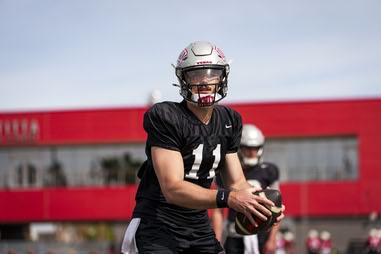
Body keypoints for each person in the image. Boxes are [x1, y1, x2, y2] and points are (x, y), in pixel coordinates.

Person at [121, 41, 285, 254]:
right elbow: (172, 188)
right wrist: (230, 199)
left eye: (212, 74)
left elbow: (236, 182)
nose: (206, 81)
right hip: (158, 224)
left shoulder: (229, 120)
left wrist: (260, 203)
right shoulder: (167, 117)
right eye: (196, 75)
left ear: (222, 77)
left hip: (198, 224)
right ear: (183, 79)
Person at [211, 124, 281, 254]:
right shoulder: (225, 171)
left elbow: (276, 207)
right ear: (239, 147)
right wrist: (217, 239)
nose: (252, 152)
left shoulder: (269, 170)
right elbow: (218, 210)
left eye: (255, 148)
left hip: (260, 233)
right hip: (234, 232)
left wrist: (272, 239)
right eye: (247, 148)